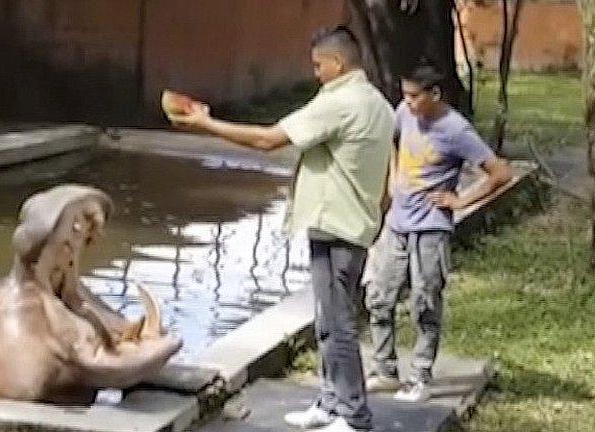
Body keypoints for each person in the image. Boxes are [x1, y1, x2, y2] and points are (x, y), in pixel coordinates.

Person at [171, 26, 393, 432]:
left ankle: (354, 415)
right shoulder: (378, 103)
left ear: (338, 64)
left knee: (338, 323)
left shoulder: (340, 102)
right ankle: (330, 403)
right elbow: (387, 178)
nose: (315, 74)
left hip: (338, 226)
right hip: (351, 224)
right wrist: (376, 217)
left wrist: (207, 124)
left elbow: (267, 140)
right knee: (327, 320)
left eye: (318, 66)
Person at [364, 63, 512, 403]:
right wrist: (392, 181)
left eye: (415, 97)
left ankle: (420, 376)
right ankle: (385, 370)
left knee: (425, 302)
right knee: (378, 296)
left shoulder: (456, 130)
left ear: (435, 94)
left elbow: (500, 173)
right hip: (397, 224)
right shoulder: (404, 111)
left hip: (430, 228)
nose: (408, 103)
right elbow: (393, 141)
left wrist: (460, 200)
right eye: (404, 95)